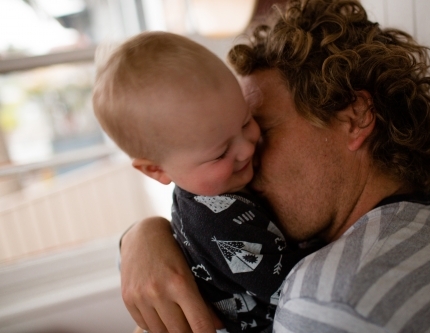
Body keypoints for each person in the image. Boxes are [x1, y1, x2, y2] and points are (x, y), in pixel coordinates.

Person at [119, 0, 430, 332]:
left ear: (354, 118)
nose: (245, 163)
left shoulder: (326, 301)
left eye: (261, 130)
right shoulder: (413, 235)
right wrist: (146, 234)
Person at [92, 31, 320, 333]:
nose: (246, 148)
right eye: (221, 152)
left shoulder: (220, 182)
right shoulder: (213, 221)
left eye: (246, 121)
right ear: (156, 170)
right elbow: (288, 285)